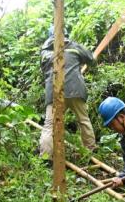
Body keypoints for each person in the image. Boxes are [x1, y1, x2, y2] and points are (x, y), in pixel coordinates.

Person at [39, 28, 96, 160]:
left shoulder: (45, 52)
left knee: (49, 125)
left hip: (54, 91)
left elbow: (44, 70)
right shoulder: (74, 47)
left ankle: (46, 156)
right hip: (75, 90)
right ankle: (90, 150)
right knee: (83, 120)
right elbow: (91, 59)